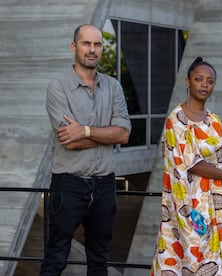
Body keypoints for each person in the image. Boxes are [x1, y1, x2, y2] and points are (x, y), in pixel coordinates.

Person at [41, 24, 131, 275]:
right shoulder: (57, 87)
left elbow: (124, 134)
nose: (92, 50)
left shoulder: (113, 87)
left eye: (97, 44)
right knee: (56, 257)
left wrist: (86, 131)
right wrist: (106, 134)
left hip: (104, 186)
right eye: (86, 44)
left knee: (99, 259)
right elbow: (69, 140)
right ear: (74, 46)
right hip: (69, 186)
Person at [151, 57, 222, 275]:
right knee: (188, 260)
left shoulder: (215, 121)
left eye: (209, 81)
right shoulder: (176, 119)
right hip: (189, 204)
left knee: (217, 262)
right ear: (187, 82)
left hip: (219, 205)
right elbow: (192, 163)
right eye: (199, 79)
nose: (204, 84)